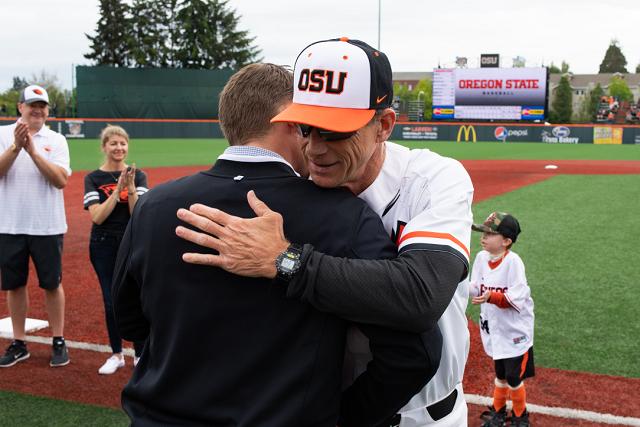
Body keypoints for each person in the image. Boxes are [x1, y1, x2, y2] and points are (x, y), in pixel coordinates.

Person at [112, 63, 440, 426]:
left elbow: (129, 320)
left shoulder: (154, 206)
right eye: (308, 122)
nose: (314, 137)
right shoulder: (344, 215)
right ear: (289, 121)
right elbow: (414, 353)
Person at [175, 38, 474, 426]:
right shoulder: (295, 186)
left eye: (334, 132)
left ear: (383, 126)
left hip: (425, 415)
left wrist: (285, 261)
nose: (314, 148)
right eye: (306, 127)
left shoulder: (431, 179)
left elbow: (420, 296)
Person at [0, 85, 71, 368]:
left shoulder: (57, 139)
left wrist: (32, 150)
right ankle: (19, 342)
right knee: (14, 285)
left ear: (48, 111)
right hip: (9, 223)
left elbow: (60, 180)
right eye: (32, 105)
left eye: (42, 106)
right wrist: (18, 146)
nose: (37, 110)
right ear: (20, 107)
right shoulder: (4, 134)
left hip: (47, 225)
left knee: (52, 284)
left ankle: (58, 339)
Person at [83, 125, 148, 375]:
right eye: (113, 143)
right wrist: (118, 189)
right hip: (103, 243)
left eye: (123, 143)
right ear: (104, 147)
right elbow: (97, 217)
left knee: (138, 296)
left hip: (132, 241)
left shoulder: (138, 175)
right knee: (111, 300)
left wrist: (130, 188)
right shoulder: (93, 178)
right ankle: (116, 354)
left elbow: (138, 214)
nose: (119, 148)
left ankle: (140, 354)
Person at [470, 212, 534, 427]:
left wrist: (492, 296)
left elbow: (518, 296)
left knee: (514, 376)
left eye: (490, 233)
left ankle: (520, 414)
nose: (484, 237)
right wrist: (456, 282)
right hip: (494, 328)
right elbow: (475, 286)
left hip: (515, 330)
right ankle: (498, 411)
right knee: (500, 372)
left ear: (506, 241)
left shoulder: (513, 262)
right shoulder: (481, 258)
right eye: (484, 232)